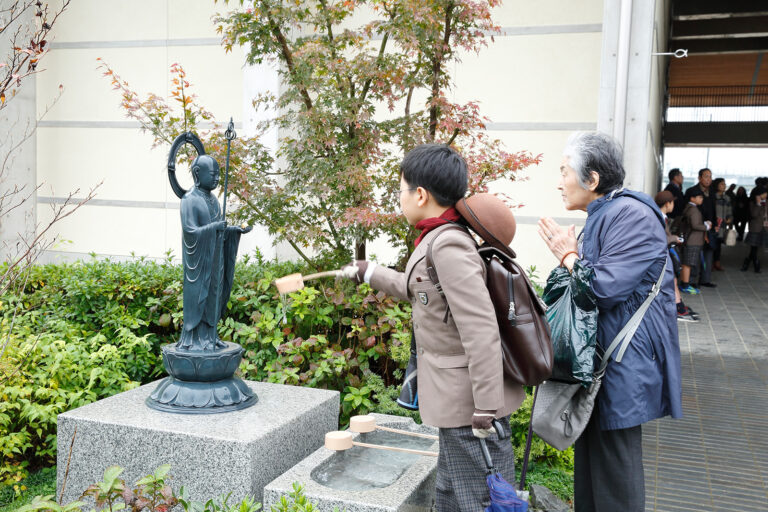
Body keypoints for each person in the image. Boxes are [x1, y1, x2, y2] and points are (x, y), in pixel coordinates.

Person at [341, 143, 524, 511]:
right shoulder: (438, 236)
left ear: (421, 194)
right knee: (450, 498)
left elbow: (480, 326)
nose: (400, 199)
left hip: (471, 410)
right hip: (455, 402)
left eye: (401, 191)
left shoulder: (448, 245)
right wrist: (370, 272)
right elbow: (419, 290)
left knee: (476, 502)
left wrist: (487, 406)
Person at [538, 132, 682, 512]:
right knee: (591, 473)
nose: (559, 181)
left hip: (621, 364)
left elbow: (602, 290)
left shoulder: (631, 215)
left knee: (615, 479)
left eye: (564, 171)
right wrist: (568, 258)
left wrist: (567, 256)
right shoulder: (605, 214)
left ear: (593, 179)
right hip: (601, 360)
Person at [179, 155, 252, 350]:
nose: (217, 179)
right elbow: (190, 231)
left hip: (215, 259)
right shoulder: (189, 199)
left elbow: (220, 231)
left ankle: (210, 336)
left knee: (215, 296)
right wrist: (214, 228)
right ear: (197, 173)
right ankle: (194, 339)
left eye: (219, 174)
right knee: (200, 297)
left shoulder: (214, 200)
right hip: (200, 263)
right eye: (212, 174)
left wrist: (234, 230)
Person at [654, 190, 698, 322]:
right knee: (671, 281)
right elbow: (660, 238)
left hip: (662, 254)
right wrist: (674, 238)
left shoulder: (661, 216)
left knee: (671, 280)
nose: (673, 205)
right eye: (672, 202)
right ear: (668, 203)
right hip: (660, 255)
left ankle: (678, 306)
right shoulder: (659, 217)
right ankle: (678, 308)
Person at [684, 168, 717, 288]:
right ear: (699, 178)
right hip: (697, 229)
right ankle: (692, 281)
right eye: (706, 176)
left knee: (708, 253)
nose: (709, 179)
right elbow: (688, 211)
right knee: (694, 256)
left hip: (709, 227)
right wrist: (703, 226)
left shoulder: (712, 191)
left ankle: (705, 279)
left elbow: (713, 210)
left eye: (710, 176)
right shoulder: (692, 191)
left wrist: (714, 225)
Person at [679, 190, 710, 295]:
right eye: (699, 197)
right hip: (693, 240)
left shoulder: (688, 207)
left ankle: (684, 283)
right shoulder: (693, 210)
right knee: (688, 263)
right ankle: (685, 285)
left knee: (686, 262)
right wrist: (706, 226)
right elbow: (695, 225)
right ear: (692, 198)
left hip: (689, 239)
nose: (701, 199)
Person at [741, 186, 768, 273]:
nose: (765, 195)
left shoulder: (767, 202)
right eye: (764, 193)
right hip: (755, 227)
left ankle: (747, 262)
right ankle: (756, 264)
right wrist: (758, 204)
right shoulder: (753, 203)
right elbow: (754, 214)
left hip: (764, 228)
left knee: (757, 248)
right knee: (753, 247)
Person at [712, 178, 733, 271]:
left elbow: (730, 211)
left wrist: (730, 218)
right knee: (712, 244)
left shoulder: (727, 198)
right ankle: (710, 263)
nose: (724, 186)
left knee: (719, 245)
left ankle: (717, 263)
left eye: (724, 184)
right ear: (716, 186)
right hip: (714, 225)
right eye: (721, 184)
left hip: (723, 225)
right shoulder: (712, 197)